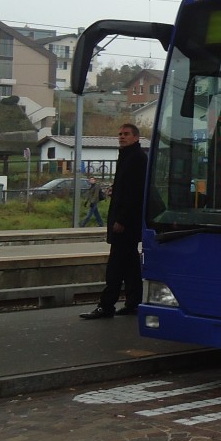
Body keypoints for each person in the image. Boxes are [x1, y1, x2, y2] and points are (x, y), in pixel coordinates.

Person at [80, 124, 146, 319]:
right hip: (125, 221)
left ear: (135, 137)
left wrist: (121, 219)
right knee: (131, 265)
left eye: (126, 134)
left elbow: (135, 193)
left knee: (116, 266)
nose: (121, 137)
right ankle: (134, 302)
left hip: (125, 223)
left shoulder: (136, 158)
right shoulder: (128, 156)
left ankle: (106, 305)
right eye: (120, 134)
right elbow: (126, 188)